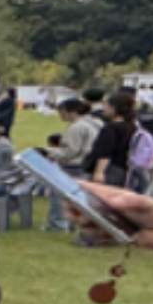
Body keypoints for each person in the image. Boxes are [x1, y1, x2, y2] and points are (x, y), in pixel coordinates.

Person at [42, 97, 102, 231]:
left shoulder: (76, 127)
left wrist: (48, 152)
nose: (60, 115)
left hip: (75, 165)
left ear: (71, 112)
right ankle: (75, 223)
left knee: (60, 195)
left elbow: (71, 151)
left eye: (62, 112)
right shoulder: (96, 123)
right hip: (90, 163)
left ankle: (58, 224)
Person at [88, 89, 141, 187]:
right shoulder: (132, 126)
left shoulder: (111, 127)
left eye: (107, 106)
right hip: (123, 167)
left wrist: (99, 172)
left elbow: (105, 151)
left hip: (110, 169)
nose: (104, 109)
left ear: (114, 108)